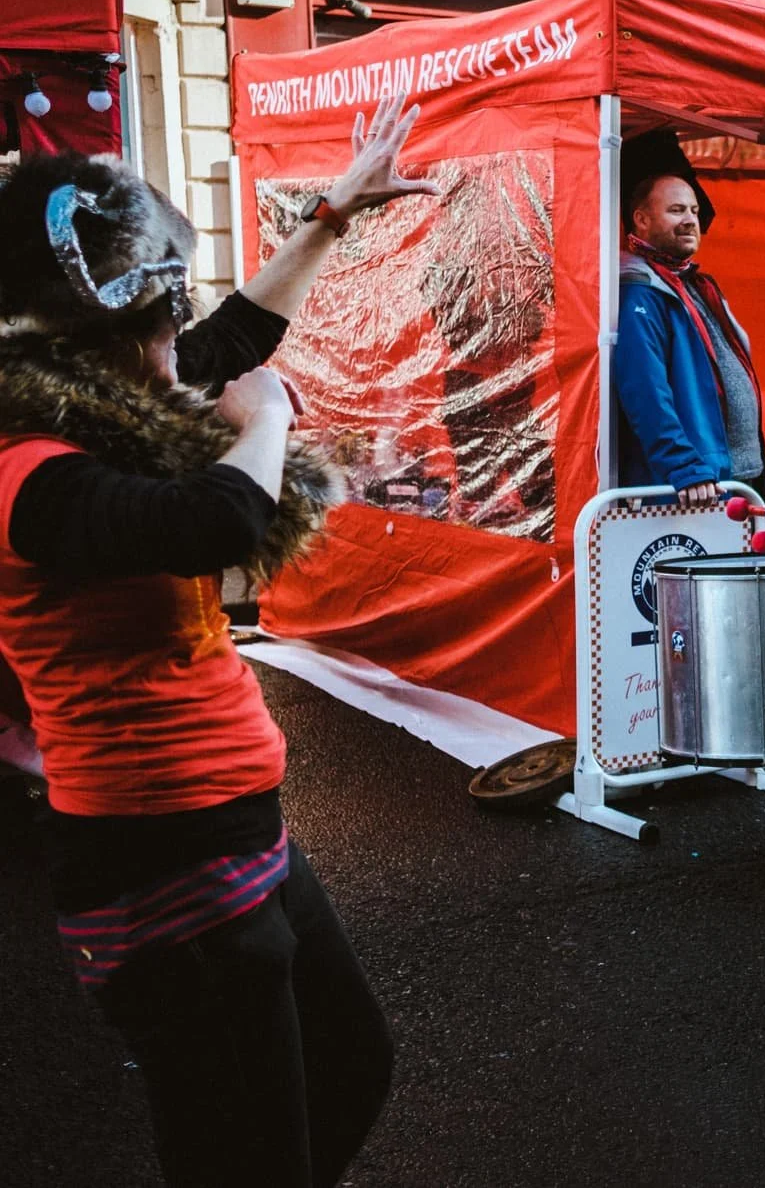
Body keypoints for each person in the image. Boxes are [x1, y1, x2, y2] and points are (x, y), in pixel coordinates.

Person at [0, 96, 434, 1186]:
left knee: (349, 1066)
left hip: (235, 829)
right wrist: (269, 418)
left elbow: (228, 342)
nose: (175, 352)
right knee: (243, 1158)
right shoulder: (28, 471)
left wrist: (333, 214)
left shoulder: (104, 412)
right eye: (159, 328)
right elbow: (219, 518)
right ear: (93, 345)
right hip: (155, 859)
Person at [614, 172, 764, 502]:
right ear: (641, 219)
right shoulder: (639, 294)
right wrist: (683, 465)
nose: (690, 220)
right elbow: (645, 391)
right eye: (676, 210)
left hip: (731, 478)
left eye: (694, 211)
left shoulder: (696, 285)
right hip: (693, 486)